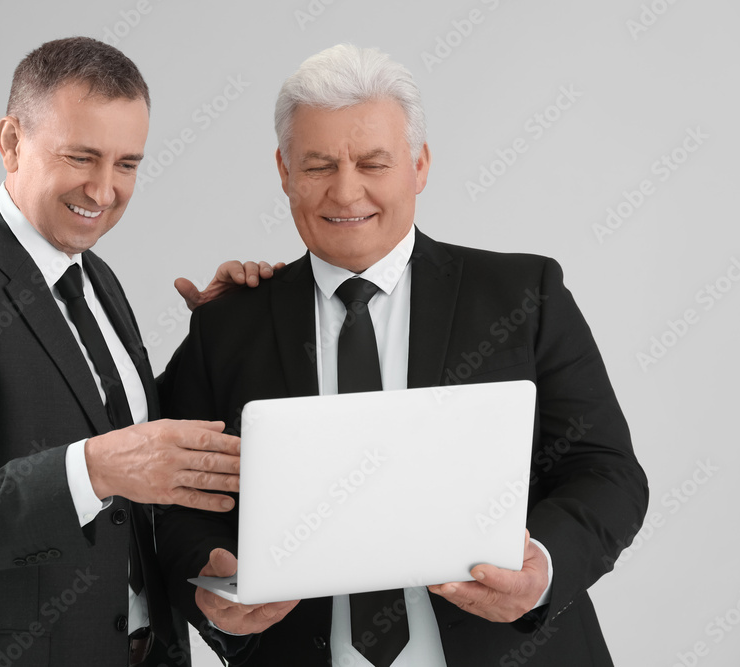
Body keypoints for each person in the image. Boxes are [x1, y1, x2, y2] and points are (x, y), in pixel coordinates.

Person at [155, 44, 648, 666]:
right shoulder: (227, 323)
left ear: (419, 165)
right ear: (283, 171)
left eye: (373, 162)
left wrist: (540, 569)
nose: (345, 190)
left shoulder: (525, 295)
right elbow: (178, 502)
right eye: (317, 166)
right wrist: (208, 577)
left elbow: (606, 471)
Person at [0, 36, 275, 667]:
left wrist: (216, 334)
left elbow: (121, 432)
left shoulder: (96, 278)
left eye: (128, 164)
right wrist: (92, 470)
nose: (105, 190)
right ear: (11, 142)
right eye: (82, 157)